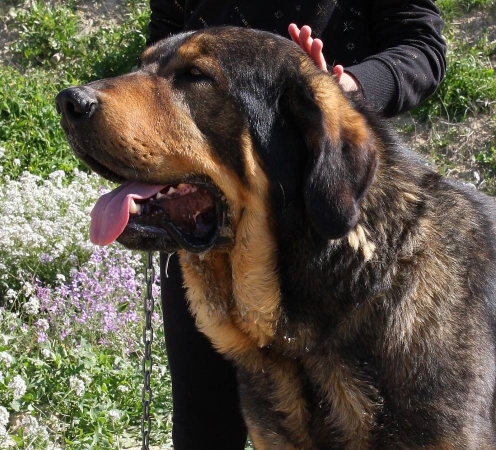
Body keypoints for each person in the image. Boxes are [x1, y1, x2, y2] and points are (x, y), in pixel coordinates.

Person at [146, 1, 447, 449]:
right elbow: (168, 30)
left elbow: (421, 46)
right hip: (207, 205)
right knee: (203, 427)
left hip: (327, 225)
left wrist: (341, 89)